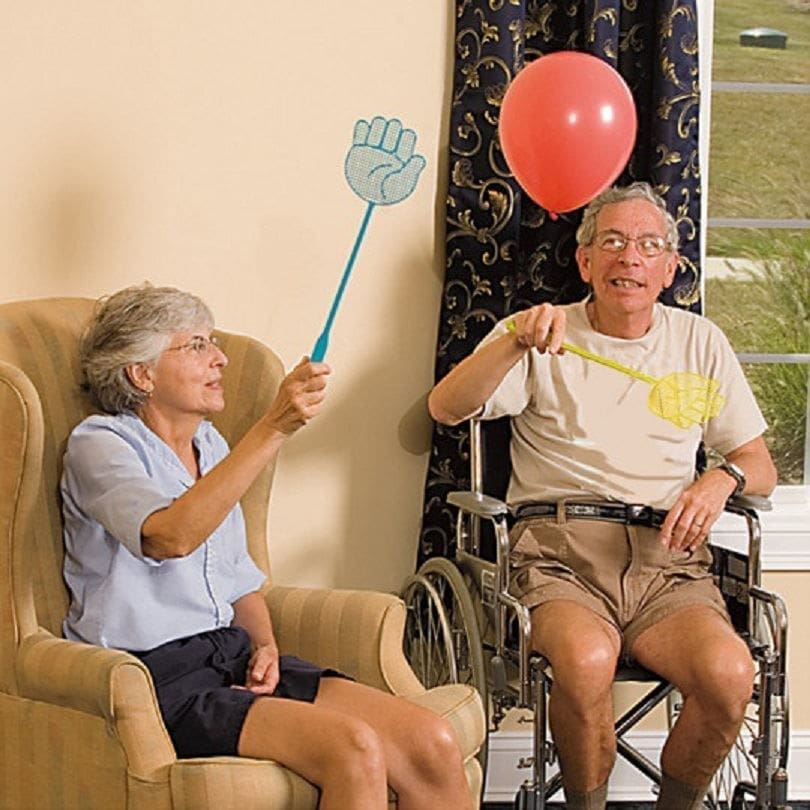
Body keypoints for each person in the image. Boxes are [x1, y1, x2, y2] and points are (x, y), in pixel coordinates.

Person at [428, 182, 777, 810]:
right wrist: (514, 339)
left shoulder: (700, 342)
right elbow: (446, 408)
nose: (630, 258)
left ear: (670, 267)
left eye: (649, 245)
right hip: (559, 555)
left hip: (667, 563)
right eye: (612, 242)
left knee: (731, 676)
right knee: (587, 660)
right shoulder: (542, 333)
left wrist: (721, 478)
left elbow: (758, 464)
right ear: (585, 260)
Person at [62, 284, 472, 810]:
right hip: (154, 675)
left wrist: (265, 646)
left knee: (431, 742)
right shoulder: (100, 443)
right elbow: (168, 536)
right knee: (352, 747)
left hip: (226, 652)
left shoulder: (211, 446)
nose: (220, 358)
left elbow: (237, 575)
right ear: (140, 375)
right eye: (195, 346)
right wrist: (274, 427)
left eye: (212, 342)